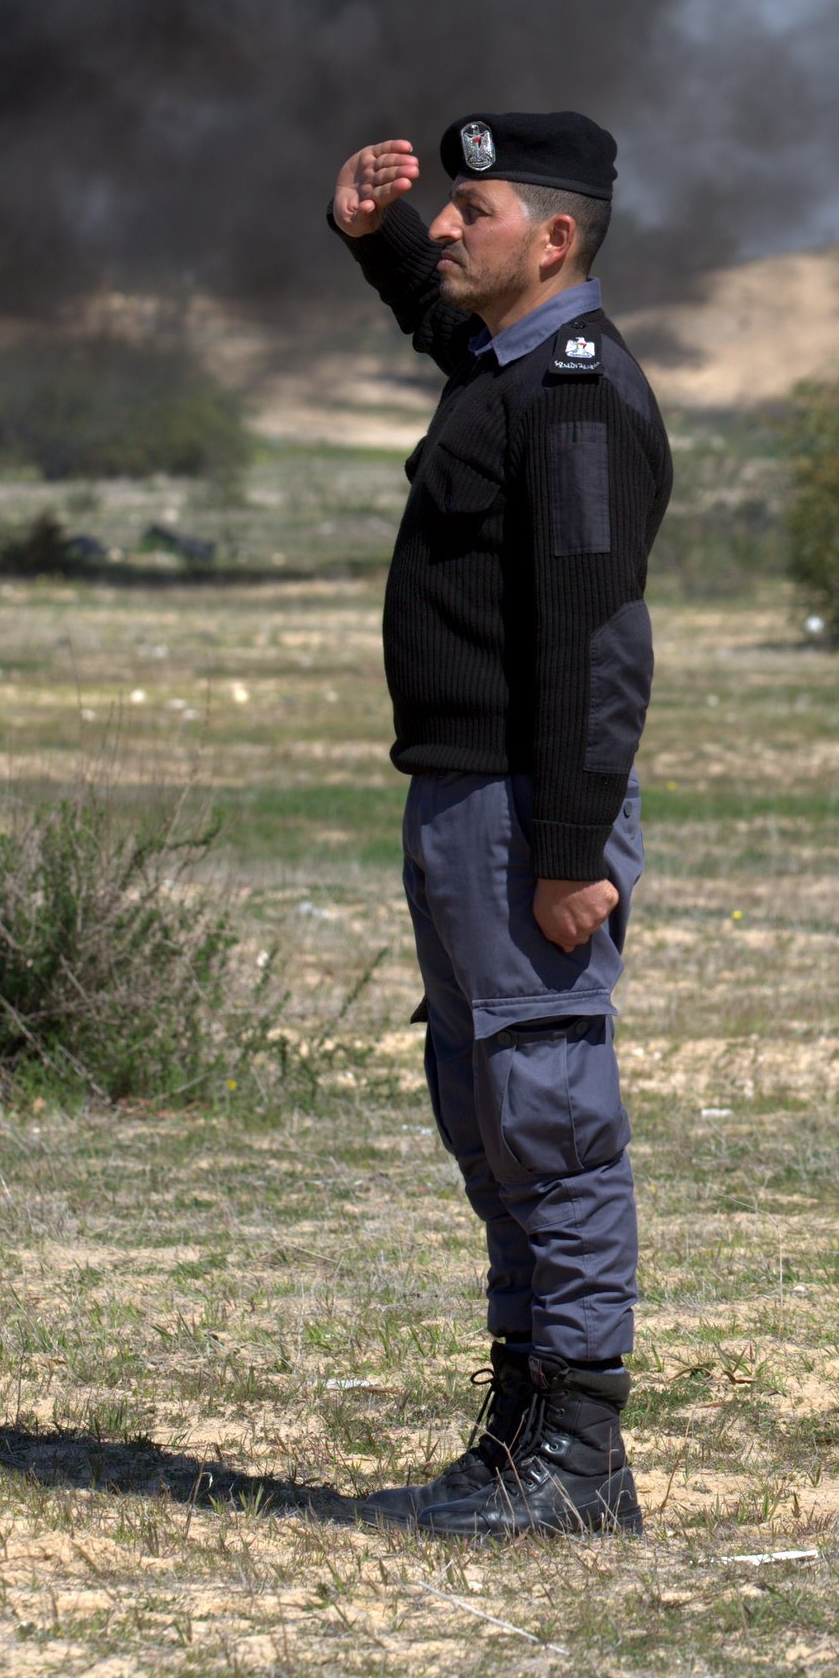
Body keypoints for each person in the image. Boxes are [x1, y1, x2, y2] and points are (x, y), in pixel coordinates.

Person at [326, 110, 671, 1537]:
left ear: (558, 239)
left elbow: (599, 644)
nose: (450, 229)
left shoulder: (577, 394)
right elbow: (443, 314)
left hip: (532, 813)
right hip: (462, 798)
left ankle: (581, 1455)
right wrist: (376, 236)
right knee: (488, 1116)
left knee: (551, 1116)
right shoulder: (508, 365)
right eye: (446, 212)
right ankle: (524, 1424)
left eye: (473, 210)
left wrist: (576, 852)